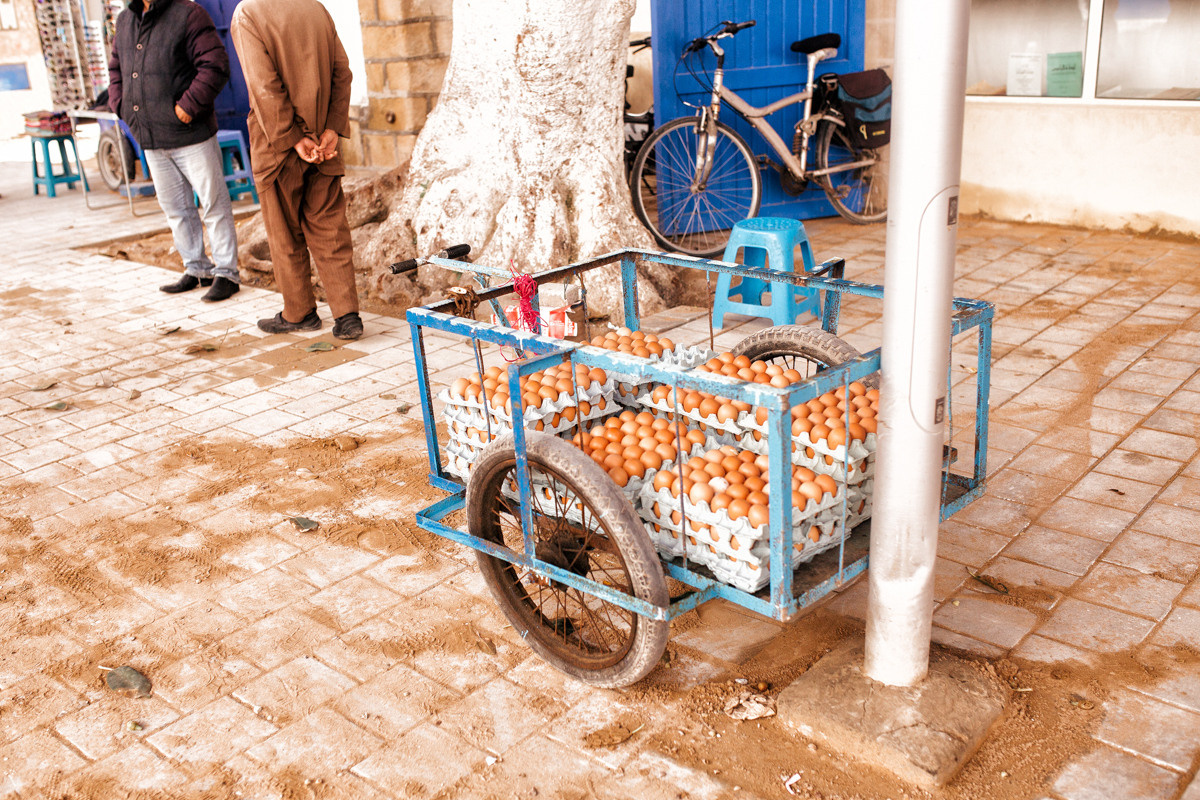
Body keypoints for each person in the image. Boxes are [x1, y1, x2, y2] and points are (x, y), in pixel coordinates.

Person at [230, 0, 363, 340]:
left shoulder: (248, 14)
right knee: (330, 228)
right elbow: (342, 72)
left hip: (278, 146)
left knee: (284, 233)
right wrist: (332, 127)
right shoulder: (315, 8)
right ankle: (347, 315)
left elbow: (264, 86)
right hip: (323, 141)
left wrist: (292, 137)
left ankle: (300, 312)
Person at [108, 0, 241, 302]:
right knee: (175, 209)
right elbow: (116, 70)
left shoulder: (188, 13)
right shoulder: (125, 20)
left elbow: (215, 65)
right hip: (151, 137)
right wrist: (121, 106)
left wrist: (187, 108)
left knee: (213, 204)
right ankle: (197, 268)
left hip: (191, 133)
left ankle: (227, 273)